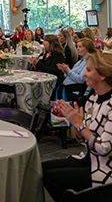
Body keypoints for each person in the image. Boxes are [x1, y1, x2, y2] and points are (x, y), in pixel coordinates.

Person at [43, 53, 112, 201]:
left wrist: (80, 125)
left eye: (89, 70)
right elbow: (83, 139)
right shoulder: (93, 99)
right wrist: (76, 124)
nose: (84, 74)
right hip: (91, 157)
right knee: (42, 169)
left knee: (52, 178)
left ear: (103, 75)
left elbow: (104, 148)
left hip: (106, 166)